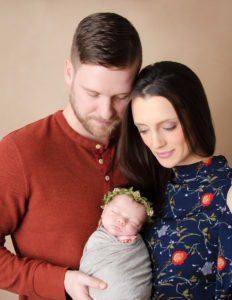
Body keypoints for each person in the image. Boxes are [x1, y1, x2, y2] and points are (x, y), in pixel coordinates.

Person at [0, 12, 142, 300]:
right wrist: (60, 281)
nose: (106, 112)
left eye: (120, 96)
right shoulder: (19, 151)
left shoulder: (148, 144)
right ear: (69, 72)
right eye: (92, 93)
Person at [119, 61, 232, 299]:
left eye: (168, 127)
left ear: (195, 116)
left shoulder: (227, 193)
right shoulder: (141, 193)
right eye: (143, 129)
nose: (156, 142)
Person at [79, 187, 154, 300]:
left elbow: (140, 263)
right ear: (104, 211)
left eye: (133, 221)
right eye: (115, 212)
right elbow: (89, 262)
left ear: (140, 229)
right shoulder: (97, 238)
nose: (121, 220)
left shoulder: (137, 245)